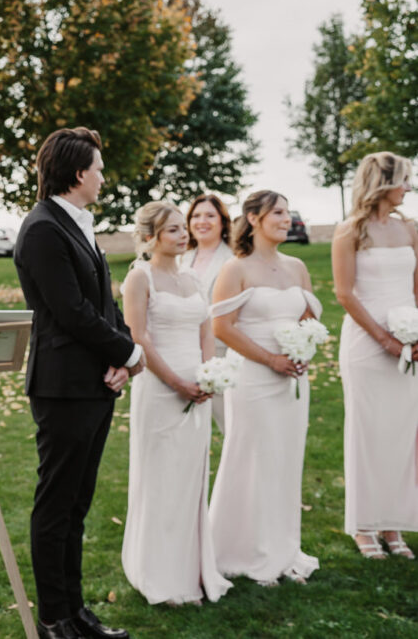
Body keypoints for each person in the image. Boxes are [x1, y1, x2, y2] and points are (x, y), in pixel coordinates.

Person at [14, 127, 143, 639]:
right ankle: (53, 618)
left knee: (78, 505)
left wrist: (121, 355)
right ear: (78, 172)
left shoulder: (79, 224)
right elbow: (70, 311)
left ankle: (76, 610)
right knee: (56, 506)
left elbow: (105, 304)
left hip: (95, 382)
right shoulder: (43, 228)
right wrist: (130, 353)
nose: (104, 177)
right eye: (100, 168)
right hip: (62, 386)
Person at [120, 201, 232, 606]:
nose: (183, 235)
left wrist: (207, 375)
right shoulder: (140, 277)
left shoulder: (193, 280)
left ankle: (192, 570)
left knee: (190, 481)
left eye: (183, 228)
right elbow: (139, 337)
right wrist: (177, 383)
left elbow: (206, 332)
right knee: (162, 481)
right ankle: (161, 576)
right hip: (159, 387)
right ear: (151, 237)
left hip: (197, 390)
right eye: (172, 230)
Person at [208, 190, 321, 586]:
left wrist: (303, 350)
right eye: (278, 212)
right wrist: (270, 359)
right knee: (253, 459)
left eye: (288, 212)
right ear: (254, 218)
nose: (286, 218)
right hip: (253, 380)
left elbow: (308, 319)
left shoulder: (297, 267)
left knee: (286, 461)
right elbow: (222, 327)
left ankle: (284, 548)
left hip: (292, 379)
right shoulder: (235, 269)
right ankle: (246, 551)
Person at [333, 152, 418, 560]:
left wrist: (414, 336)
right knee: (368, 436)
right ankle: (364, 526)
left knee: (402, 435)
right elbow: (345, 293)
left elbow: (417, 286)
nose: (408, 187)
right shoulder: (351, 231)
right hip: (367, 346)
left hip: (409, 344)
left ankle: (393, 524)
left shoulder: (410, 229)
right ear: (382, 183)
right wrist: (385, 340)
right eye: (404, 179)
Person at [181, 194, 236, 434]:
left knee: (231, 426)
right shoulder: (182, 257)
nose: (202, 221)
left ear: (223, 222)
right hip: (183, 352)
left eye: (210, 216)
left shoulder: (233, 259)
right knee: (188, 428)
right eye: (196, 216)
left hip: (221, 354)